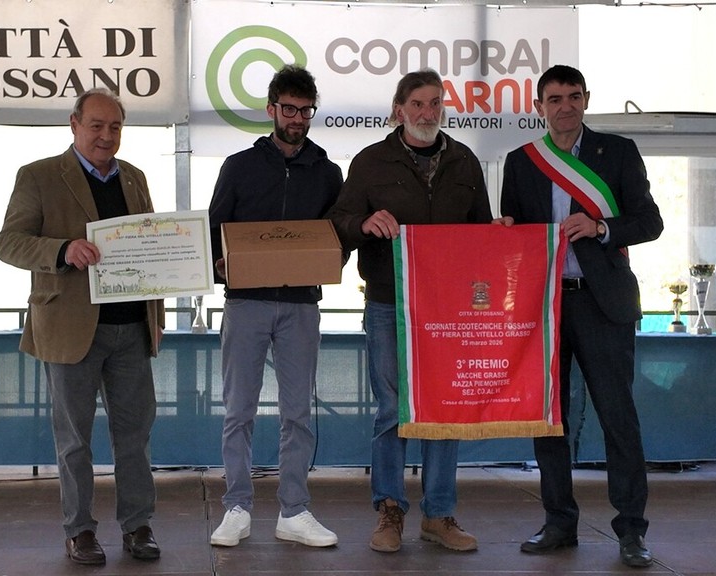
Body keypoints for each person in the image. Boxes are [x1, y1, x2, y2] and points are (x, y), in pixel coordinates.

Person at [499, 64, 663, 568]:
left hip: (602, 302)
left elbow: (650, 222)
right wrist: (503, 231)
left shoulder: (618, 152)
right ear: (539, 106)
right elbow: (515, 232)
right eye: (554, 99)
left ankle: (631, 530)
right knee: (549, 419)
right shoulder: (522, 161)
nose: (565, 106)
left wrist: (601, 227)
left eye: (573, 97)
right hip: (543, 304)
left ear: (586, 99)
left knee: (618, 417)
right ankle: (558, 522)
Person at [0, 87, 165, 566]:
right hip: (69, 330)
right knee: (74, 441)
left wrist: (156, 316)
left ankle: (138, 525)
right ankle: (80, 531)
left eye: (115, 127)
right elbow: (8, 242)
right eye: (96, 125)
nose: (106, 136)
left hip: (131, 327)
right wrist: (62, 250)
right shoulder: (39, 175)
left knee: (135, 437)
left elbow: (149, 249)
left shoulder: (134, 178)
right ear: (74, 124)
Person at [326, 68, 492, 554]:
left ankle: (438, 514)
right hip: (388, 301)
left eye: (435, 102)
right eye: (417, 103)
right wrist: (363, 222)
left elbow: (481, 231)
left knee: (445, 408)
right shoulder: (370, 161)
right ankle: (390, 511)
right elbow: (338, 222)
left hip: (450, 307)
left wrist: (500, 234)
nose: (427, 112)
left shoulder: (465, 161)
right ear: (399, 110)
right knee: (391, 408)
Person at [207, 64, 343, 548]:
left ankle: (295, 510)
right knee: (238, 411)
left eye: (306, 111)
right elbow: (214, 230)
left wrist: (330, 259)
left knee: (298, 413)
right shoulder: (239, 166)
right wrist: (219, 263)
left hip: (301, 304)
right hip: (245, 302)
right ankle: (236, 507)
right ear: (271, 109)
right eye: (289, 109)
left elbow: (336, 239)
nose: (297, 119)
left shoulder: (328, 172)